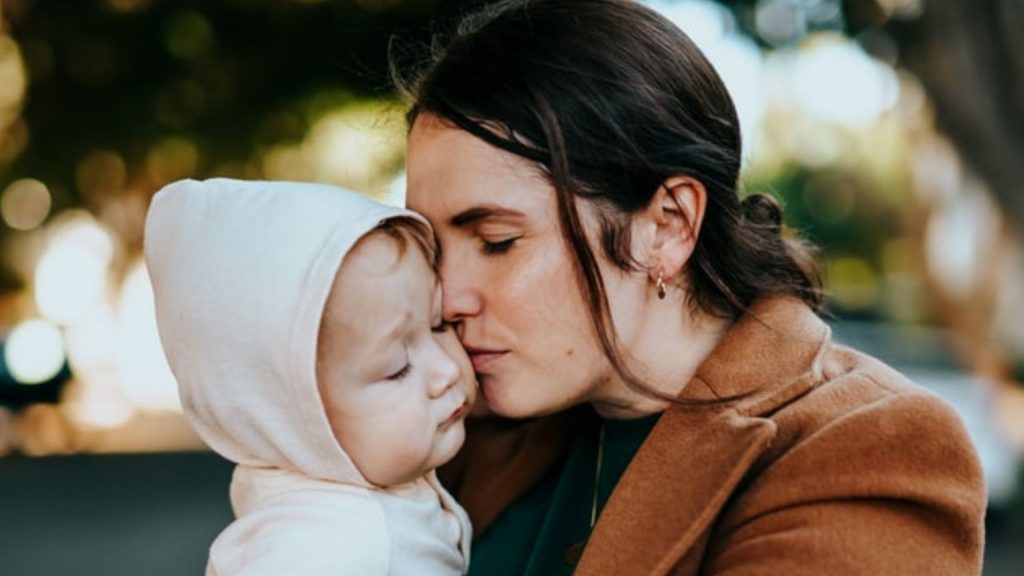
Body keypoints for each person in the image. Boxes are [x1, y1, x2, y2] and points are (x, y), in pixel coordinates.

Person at [397, 0, 987, 574]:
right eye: (435, 251)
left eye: (498, 241)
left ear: (667, 226)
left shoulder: (867, 447)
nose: (447, 299)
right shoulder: (457, 420)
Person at [144, 178, 475, 575]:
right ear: (291, 417)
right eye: (397, 366)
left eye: (439, 324)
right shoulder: (325, 550)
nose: (448, 369)